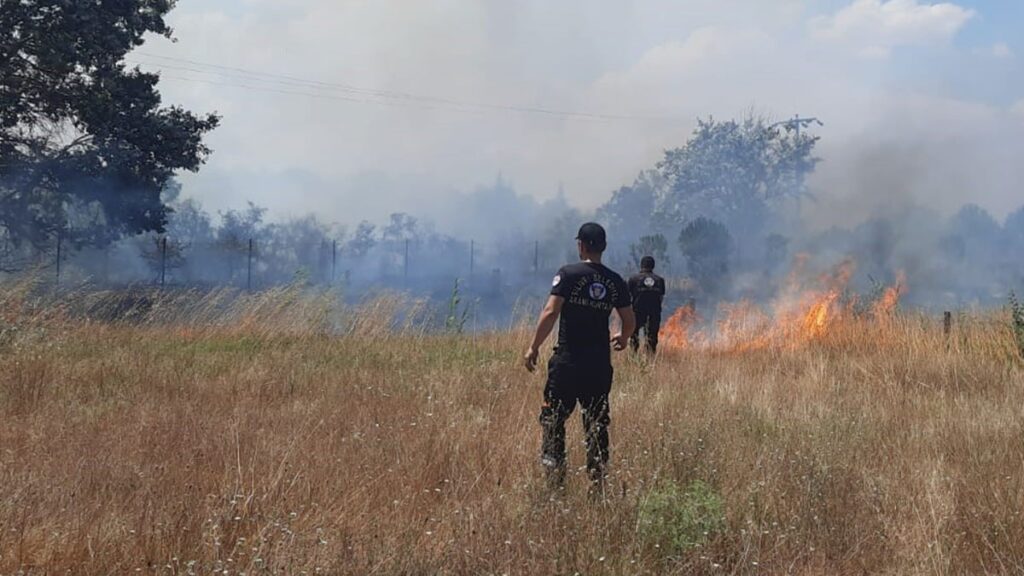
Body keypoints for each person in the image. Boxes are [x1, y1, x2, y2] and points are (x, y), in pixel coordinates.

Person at [524, 222, 636, 493]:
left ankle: (555, 484)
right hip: (598, 366)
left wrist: (533, 347)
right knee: (597, 423)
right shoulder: (614, 281)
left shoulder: (568, 274)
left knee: (553, 419)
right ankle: (597, 485)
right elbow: (629, 319)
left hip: (568, 363)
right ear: (604, 246)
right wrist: (623, 337)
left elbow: (551, 312)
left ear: (581, 245)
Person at [628, 256, 666, 353]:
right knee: (652, 337)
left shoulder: (633, 279)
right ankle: (650, 357)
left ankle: (633, 355)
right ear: (653, 266)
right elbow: (661, 297)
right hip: (654, 312)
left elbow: (628, 296)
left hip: (637, 311)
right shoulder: (660, 280)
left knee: (634, 335)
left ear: (641, 265)